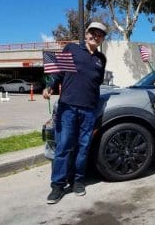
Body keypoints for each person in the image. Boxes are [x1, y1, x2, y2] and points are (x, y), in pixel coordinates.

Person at [43, 22, 107, 204]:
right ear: (86, 34)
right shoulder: (71, 48)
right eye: (93, 33)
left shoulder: (101, 59)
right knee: (63, 146)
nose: (96, 36)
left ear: (102, 38)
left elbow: (97, 82)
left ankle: (78, 181)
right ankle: (57, 186)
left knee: (83, 147)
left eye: (100, 34)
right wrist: (50, 86)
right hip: (68, 107)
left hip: (89, 110)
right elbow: (58, 73)